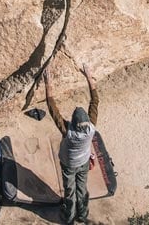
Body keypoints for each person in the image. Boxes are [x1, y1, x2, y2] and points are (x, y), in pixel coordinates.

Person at [44, 63, 101, 224]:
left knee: (70, 191)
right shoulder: (91, 128)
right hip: (83, 162)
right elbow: (95, 101)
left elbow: (52, 107)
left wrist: (48, 82)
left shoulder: (67, 132)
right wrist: (88, 76)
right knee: (81, 189)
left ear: (73, 123)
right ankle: (82, 215)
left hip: (69, 163)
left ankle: (68, 218)